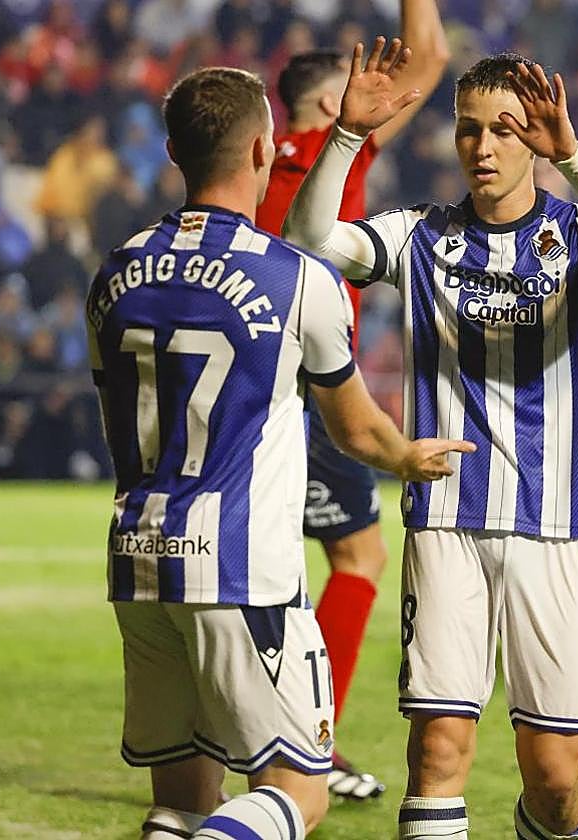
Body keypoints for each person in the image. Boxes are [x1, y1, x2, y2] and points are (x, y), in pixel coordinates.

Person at [285, 43, 578, 840]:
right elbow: (311, 239)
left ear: (535, 140)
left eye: (503, 130)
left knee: (554, 777)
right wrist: (345, 138)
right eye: (468, 130)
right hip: (448, 521)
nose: (483, 147)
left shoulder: (577, 238)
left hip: (558, 530)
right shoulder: (421, 234)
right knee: (439, 749)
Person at [86, 67, 472, 840]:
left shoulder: (116, 271)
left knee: (182, 801)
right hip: (240, 569)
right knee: (300, 793)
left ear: (173, 152)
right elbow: (355, 428)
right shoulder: (298, 278)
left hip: (140, 559)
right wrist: (407, 458)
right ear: (264, 149)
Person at [253, 0, 449, 799]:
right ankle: (310, 742)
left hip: (249, 389)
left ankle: (249, 735)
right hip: (316, 389)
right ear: (334, 104)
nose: (377, 90)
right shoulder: (340, 154)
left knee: (267, 567)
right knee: (360, 557)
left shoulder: (256, 158)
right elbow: (431, 59)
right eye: (358, 85)